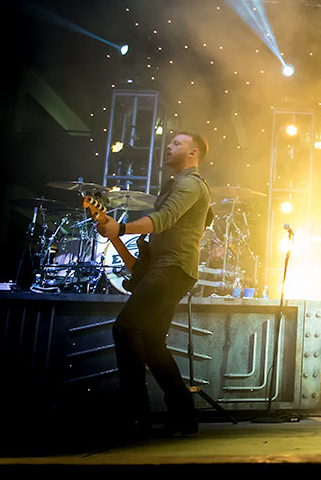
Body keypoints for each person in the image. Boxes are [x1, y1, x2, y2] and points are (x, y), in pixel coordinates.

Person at [97, 131, 211, 437]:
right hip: (168, 267)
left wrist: (121, 226)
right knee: (150, 342)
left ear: (193, 153)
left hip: (173, 267)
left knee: (125, 328)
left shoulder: (190, 183)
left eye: (176, 143)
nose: (169, 146)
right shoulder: (175, 184)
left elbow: (165, 218)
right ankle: (185, 417)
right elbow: (145, 253)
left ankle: (135, 416)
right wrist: (115, 236)